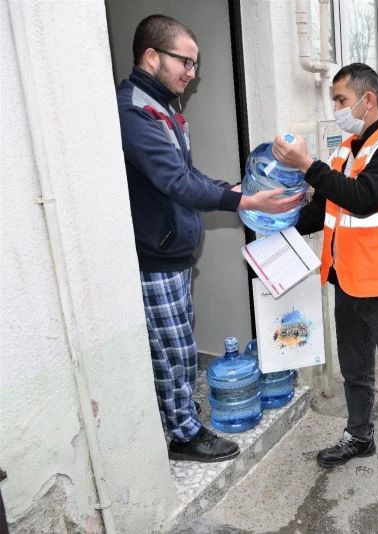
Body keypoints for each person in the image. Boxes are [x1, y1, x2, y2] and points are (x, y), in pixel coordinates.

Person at [116, 14, 301, 463]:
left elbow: (189, 174)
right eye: (186, 62)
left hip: (174, 251)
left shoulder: (163, 109)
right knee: (173, 349)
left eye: (195, 64)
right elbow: (175, 183)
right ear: (151, 57)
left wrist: (234, 190)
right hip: (154, 256)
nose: (192, 73)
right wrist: (246, 202)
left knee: (179, 344)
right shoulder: (134, 111)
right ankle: (183, 436)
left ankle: (176, 413)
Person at [271, 63, 378, 505]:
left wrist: (307, 165)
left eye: (341, 100)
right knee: (355, 371)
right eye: (333, 100)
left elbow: (363, 200)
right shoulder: (347, 151)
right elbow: (324, 210)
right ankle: (359, 435)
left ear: (368, 100)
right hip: (346, 283)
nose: (335, 108)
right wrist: (273, 219)